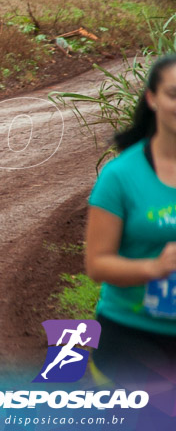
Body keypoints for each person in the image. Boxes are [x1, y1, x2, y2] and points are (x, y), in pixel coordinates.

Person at [86, 54, 176, 386]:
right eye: (174, 94)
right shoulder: (121, 176)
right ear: (152, 98)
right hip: (132, 337)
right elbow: (97, 265)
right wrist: (154, 268)